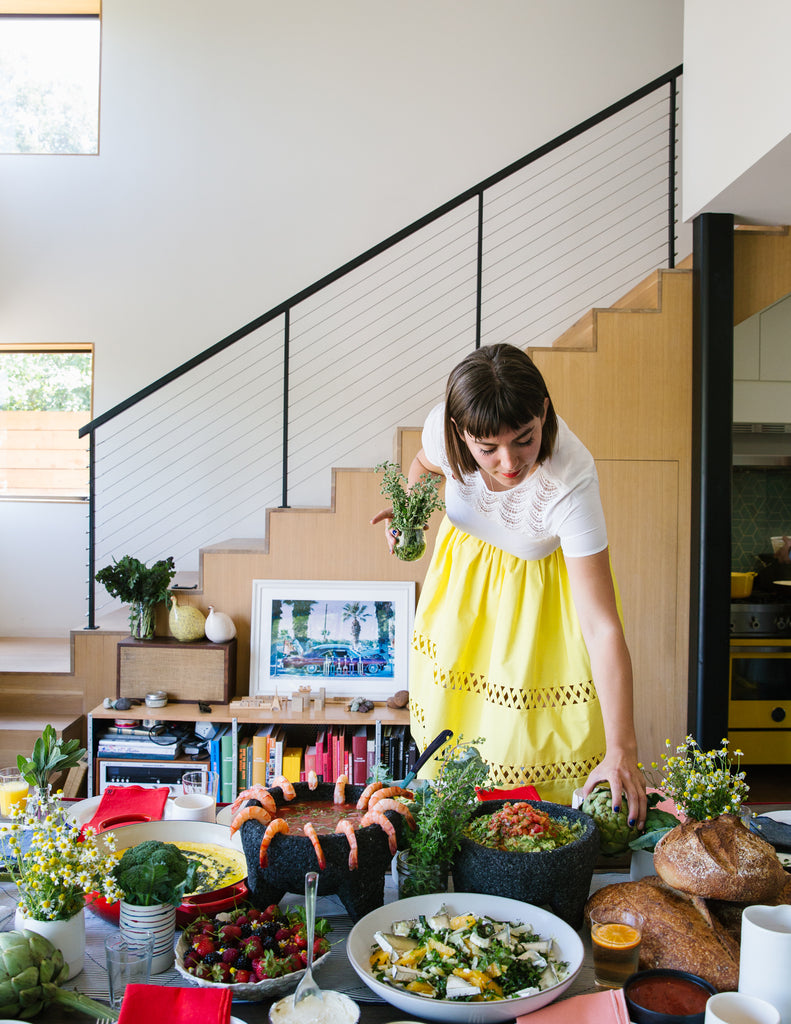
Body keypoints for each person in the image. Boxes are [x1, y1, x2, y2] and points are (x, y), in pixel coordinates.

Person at [371, 343, 646, 824]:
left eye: (524, 439)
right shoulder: (446, 427)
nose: (509, 462)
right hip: (462, 597)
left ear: (542, 412)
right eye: (487, 449)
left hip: (535, 614)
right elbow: (423, 465)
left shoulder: (571, 480)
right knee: (453, 748)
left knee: (522, 752)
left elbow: (603, 627)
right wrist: (410, 510)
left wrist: (623, 747)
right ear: (461, 433)